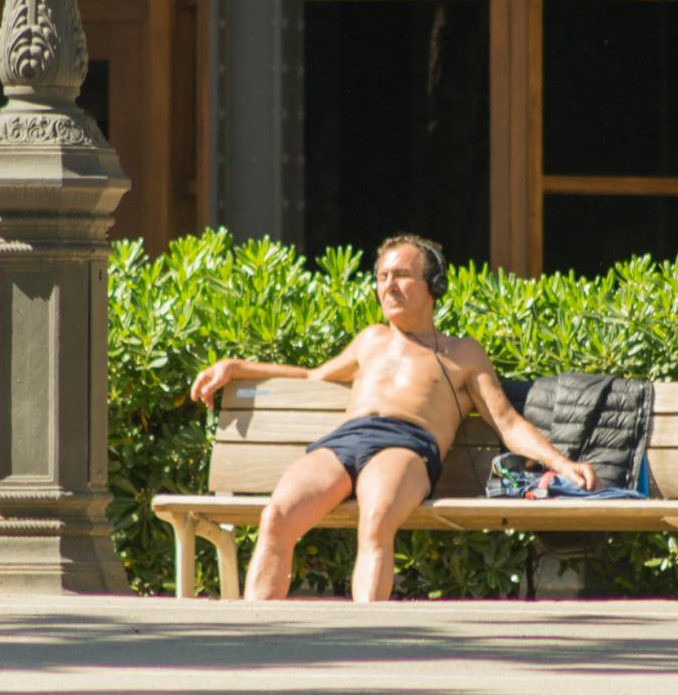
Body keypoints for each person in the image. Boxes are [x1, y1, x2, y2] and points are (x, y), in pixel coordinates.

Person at [190, 235, 598, 602]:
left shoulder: (461, 354)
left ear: (433, 288)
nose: (388, 284)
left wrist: (561, 464)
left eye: (401, 275)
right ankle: (259, 637)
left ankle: (364, 643)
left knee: (376, 519)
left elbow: (506, 422)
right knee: (276, 517)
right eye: (382, 275)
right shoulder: (371, 339)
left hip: (406, 444)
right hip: (346, 440)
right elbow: (313, 375)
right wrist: (237, 366)